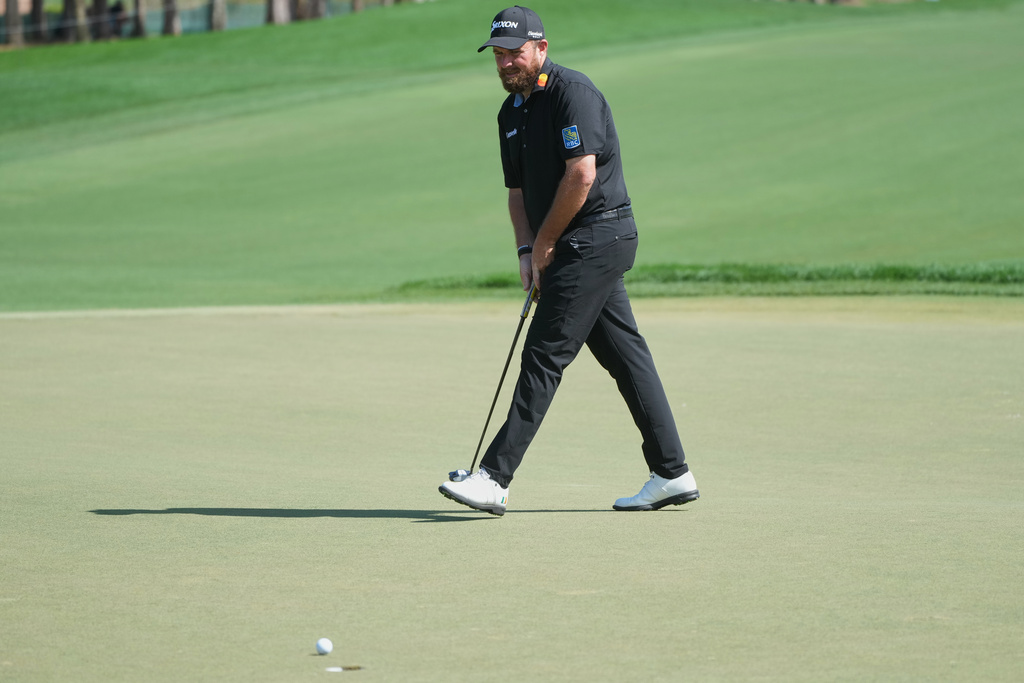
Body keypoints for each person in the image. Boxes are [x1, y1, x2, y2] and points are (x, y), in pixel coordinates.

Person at [439, 6, 698, 516]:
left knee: (544, 354)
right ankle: (672, 472)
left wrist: (544, 245)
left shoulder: (571, 93)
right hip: (570, 244)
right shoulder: (509, 114)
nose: (505, 63)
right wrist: (525, 249)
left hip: (597, 236)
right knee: (627, 359)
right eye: (498, 54)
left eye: (515, 52)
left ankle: (494, 478)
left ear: (541, 48)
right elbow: (517, 193)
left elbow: (581, 175)